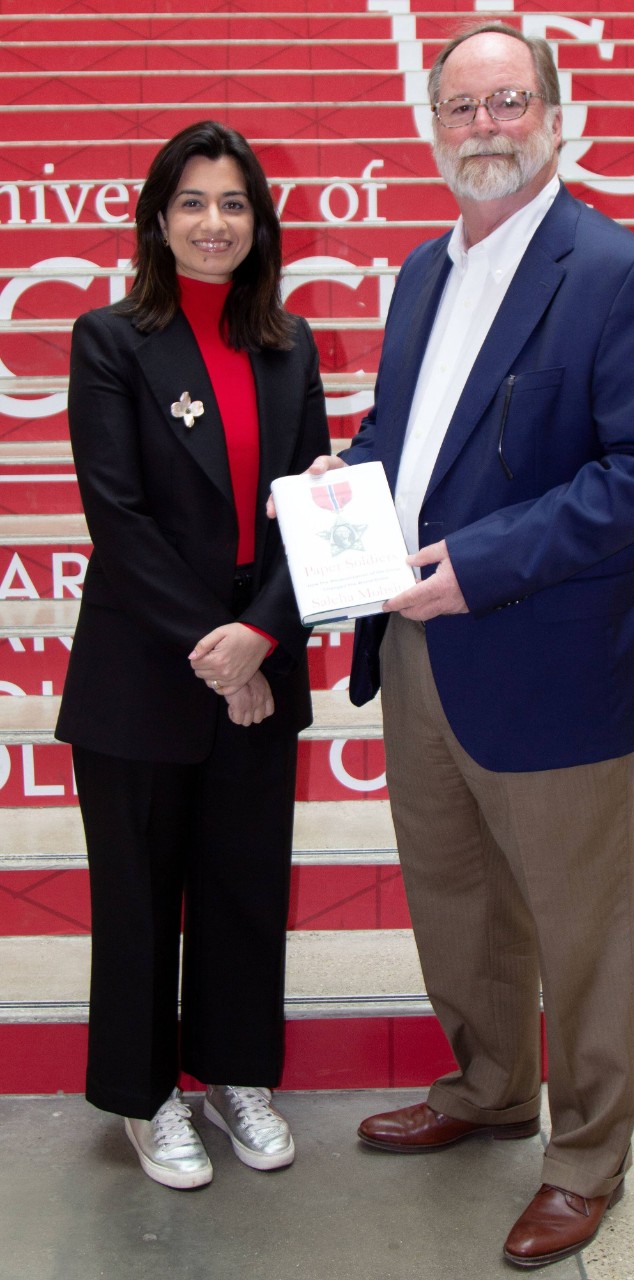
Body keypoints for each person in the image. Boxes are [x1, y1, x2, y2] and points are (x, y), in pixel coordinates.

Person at [298, 22, 634, 1270]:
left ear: (556, 112)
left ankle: (587, 1152)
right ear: (432, 125)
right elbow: (413, 435)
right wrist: (346, 483)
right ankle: (485, 1087)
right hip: (420, 654)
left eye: (507, 102)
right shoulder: (420, 271)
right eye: (461, 108)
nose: (484, 127)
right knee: (457, 902)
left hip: (557, 658)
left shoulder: (621, 271)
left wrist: (478, 564)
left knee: (581, 927)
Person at [56, 120, 330, 1190]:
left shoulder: (290, 342)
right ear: (158, 219)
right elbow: (115, 517)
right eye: (191, 203)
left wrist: (260, 632)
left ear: (259, 221)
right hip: (143, 655)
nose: (213, 222)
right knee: (138, 891)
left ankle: (232, 1073)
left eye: (232, 203)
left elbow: (308, 511)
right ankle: (145, 1095)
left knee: (243, 880)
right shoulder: (110, 337)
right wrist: (220, 651)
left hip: (258, 641)